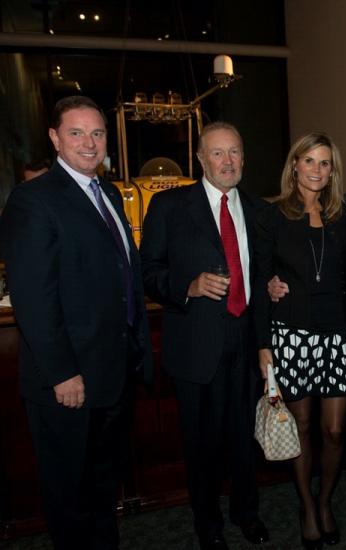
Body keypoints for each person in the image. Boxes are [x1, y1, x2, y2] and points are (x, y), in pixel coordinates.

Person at [0, 95, 152, 550]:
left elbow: (123, 275)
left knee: (103, 486)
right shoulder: (33, 200)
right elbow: (34, 299)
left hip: (113, 373)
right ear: (54, 138)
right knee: (69, 495)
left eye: (98, 133)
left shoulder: (105, 192)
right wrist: (63, 372)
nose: (90, 143)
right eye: (77, 133)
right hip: (69, 380)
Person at [140, 122, 269, 550]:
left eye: (234, 152)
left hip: (246, 342)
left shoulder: (256, 208)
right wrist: (187, 286)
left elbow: (263, 276)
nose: (227, 161)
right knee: (202, 445)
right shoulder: (169, 205)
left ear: (244, 157)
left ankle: (246, 513)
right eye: (217, 153)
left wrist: (266, 333)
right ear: (200, 159)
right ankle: (207, 522)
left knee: (245, 439)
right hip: (196, 346)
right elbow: (148, 273)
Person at [254, 132, 346, 549]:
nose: (318, 170)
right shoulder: (273, 216)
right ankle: (306, 506)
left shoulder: (343, 215)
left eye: (326, 163)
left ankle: (325, 500)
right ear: (295, 165)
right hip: (293, 335)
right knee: (300, 426)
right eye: (310, 161)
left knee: (335, 431)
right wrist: (263, 343)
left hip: (338, 334)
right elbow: (259, 279)